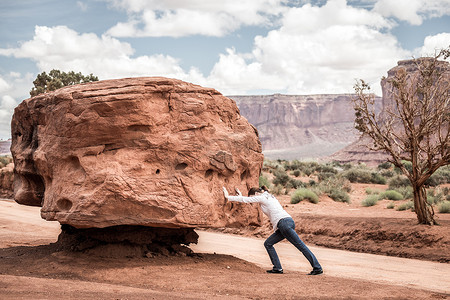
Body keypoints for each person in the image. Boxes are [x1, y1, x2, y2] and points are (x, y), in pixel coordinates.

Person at [222, 185, 323, 275]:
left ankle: (317, 267)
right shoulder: (269, 196)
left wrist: (228, 197)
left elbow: (247, 200)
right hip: (287, 222)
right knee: (268, 243)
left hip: (284, 224)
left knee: (301, 246)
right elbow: (248, 201)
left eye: (254, 197)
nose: (254, 200)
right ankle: (277, 268)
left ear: (257, 194)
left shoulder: (262, 198)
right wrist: (240, 195)